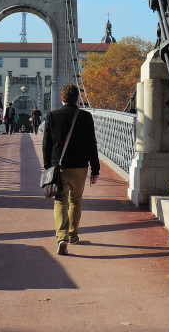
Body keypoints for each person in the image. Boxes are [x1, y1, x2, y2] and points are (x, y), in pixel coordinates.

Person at [42, 83, 99, 256]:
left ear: (62, 98)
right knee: (76, 201)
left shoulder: (52, 116)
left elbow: (46, 145)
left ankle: (61, 237)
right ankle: (73, 235)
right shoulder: (86, 116)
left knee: (60, 201)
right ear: (77, 99)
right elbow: (92, 144)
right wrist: (95, 169)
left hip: (59, 167)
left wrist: (47, 167)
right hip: (81, 166)